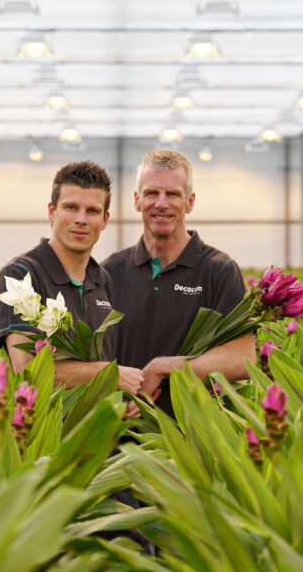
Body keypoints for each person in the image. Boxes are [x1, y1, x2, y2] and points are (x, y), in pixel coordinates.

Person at [103, 149, 254, 416]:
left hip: (191, 438)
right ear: (137, 201)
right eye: (151, 193)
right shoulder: (110, 271)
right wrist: (109, 402)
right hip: (120, 438)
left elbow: (242, 359)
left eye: (172, 194)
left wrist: (165, 367)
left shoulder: (218, 271)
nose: (161, 203)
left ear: (190, 201)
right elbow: (95, 356)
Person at [0, 160, 144, 395]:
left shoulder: (102, 279)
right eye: (71, 207)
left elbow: (109, 359)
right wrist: (111, 375)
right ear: (52, 212)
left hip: (100, 427)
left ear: (104, 220)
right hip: (48, 428)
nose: (81, 219)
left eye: (92, 211)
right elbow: (30, 370)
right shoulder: (21, 275)